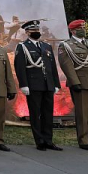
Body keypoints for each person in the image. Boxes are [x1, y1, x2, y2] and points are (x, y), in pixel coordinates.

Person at [14, 20, 61, 151]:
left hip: (48, 85)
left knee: (48, 113)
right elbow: (20, 67)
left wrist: (56, 83)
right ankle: (39, 140)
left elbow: (52, 67)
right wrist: (24, 85)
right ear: (27, 32)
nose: (37, 32)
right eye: (34, 31)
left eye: (37, 30)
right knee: (36, 113)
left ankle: (48, 140)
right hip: (33, 84)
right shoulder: (23, 47)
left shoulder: (46, 47)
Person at [58, 19, 88, 150]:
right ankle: (84, 140)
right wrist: (75, 82)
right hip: (81, 83)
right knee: (82, 113)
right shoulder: (66, 45)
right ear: (73, 30)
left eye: (84, 27)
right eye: (80, 28)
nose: (83, 30)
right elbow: (66, 65)